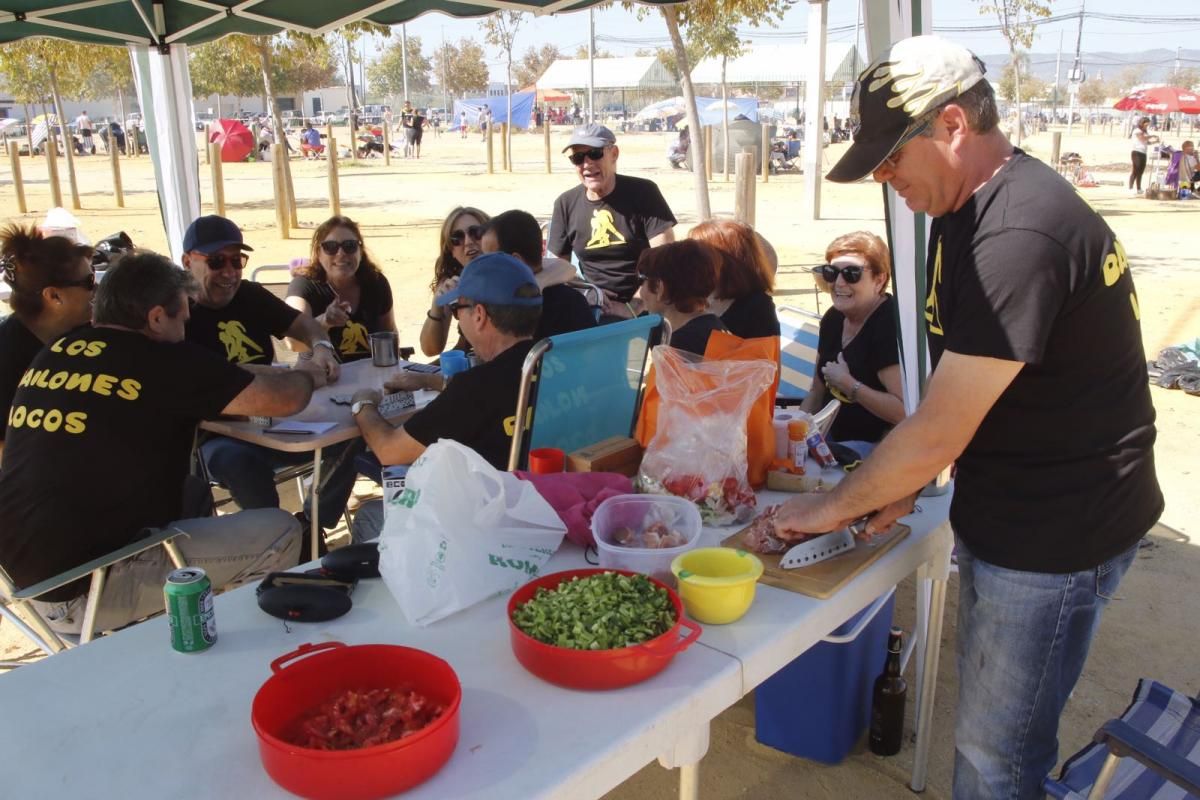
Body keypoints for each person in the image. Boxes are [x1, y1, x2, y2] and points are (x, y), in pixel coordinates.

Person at [779, 36, 1161, 799]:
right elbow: (976, 390)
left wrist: (824, 510)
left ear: (952, 124)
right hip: (1023, 501)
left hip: (1056, 531)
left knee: (997, 756)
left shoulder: (1018, 233)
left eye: (892, 158)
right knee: (995, 739)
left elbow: (938, 426)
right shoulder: (965, 208)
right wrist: (906, 482)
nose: (886, 179)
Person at [0, 252, 308, 635]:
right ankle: (233, 644)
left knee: (193, 493)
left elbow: (218, 376)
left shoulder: (57, 350)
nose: (185, 331)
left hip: (26, 581)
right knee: (280, 531)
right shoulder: (158, 361)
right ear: (157, 317)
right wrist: (308, 372)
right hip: (89, 589)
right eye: (183, 319)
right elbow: (285, 399)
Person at [348, 253, 543, 540]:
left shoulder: (476, 386)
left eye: (456, 310)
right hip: (543, 508)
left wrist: (362, 403)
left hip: (486, 528)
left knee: (368, 516)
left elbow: (389, 450)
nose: (458, 319)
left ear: (479, 315)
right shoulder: (558, 362)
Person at [181, 215, 354, 535]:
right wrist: (293, 377)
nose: (229, 273)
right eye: (217, 262)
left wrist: (320, 347)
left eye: (237, 261)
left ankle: (311, 527)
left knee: (352, 433)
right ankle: (275, 542)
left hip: (273, 420)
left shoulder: (248, 295)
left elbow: (302, 324)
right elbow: (210, 376)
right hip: (216, 434)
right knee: (241, 464)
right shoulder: (177, 311)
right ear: (188, 262)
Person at [548, 124, 677, 322]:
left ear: (614, 154)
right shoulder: (565, 204)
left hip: (646, 303)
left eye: (595, 154)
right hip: (594, 306)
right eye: (578, 157)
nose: (587, 164)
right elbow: (556, 268)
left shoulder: (644, 193)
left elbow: (666, 259)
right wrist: (588, 293)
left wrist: (634, 306)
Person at [797, 231, 903, 460]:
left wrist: (849, 385)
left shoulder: (889, 326)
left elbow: (903, 412)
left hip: (876, 450)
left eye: (852, 274)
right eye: (831, 273)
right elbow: (817, 391)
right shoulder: (833, 319)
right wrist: (792, 431)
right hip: (828, 441)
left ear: (879, 279)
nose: (838, 283)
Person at [0, 225, 96, 465]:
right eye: (89, 281)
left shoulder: (87, 334)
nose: (96, 290)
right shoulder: (7, 355)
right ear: (54, 296)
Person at [286, 216, 396, 362]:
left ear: (360, 251)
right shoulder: (303, 286)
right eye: (330, 247)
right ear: (318, 253)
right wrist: (324, 321)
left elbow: (389, 333)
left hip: (372, 376)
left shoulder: (376, 283)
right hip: (324, 377)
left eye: (349, 246)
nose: (341, 254)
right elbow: (293, 343)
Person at [480, 210, 595, 342]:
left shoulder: (507, 311)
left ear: (515, 262)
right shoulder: (574, 301)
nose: (483, 267)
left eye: (489, 260)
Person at [688, 219, 780, 340]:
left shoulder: (758, 307)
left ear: (728, 262)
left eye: (698, 254)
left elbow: (761, 357)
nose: (690, 260)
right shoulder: (696, 294)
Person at [419, 206, 490, 357]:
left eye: (476, 232)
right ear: (451, 251)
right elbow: (430, 349)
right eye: (457, 238)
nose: (468, 242)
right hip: (467, 359)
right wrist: (437, 305)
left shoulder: (511, 274)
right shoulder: (453, 282)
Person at [635, 240, 725, 356]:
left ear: (659, 287)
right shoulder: (712, 326)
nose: (640, 291)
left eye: (642, 280)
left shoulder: (682, 346)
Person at [1130, 116, 1157, 194]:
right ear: (1142, 123)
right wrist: (1152, 136)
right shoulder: (1137, 130)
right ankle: (1131, 187)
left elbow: (1146, 142)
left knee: (1141, 171)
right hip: (1136, 152)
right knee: (1135, 170)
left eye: (1147, 125)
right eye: (1145, 125)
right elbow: (1142, 138)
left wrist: (1155, 142)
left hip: (1143, 152)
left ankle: (1138, 188)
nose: (1146, 126)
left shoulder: (1145, 132)